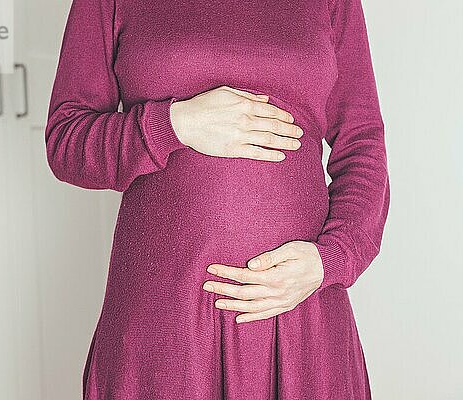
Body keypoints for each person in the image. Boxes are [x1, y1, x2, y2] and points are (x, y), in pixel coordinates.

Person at [45, 0, 390, 398]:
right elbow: (66, 142)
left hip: (300, 309)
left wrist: (330, 259)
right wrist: (174, 124)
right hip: (165, 322)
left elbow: (362, 144)